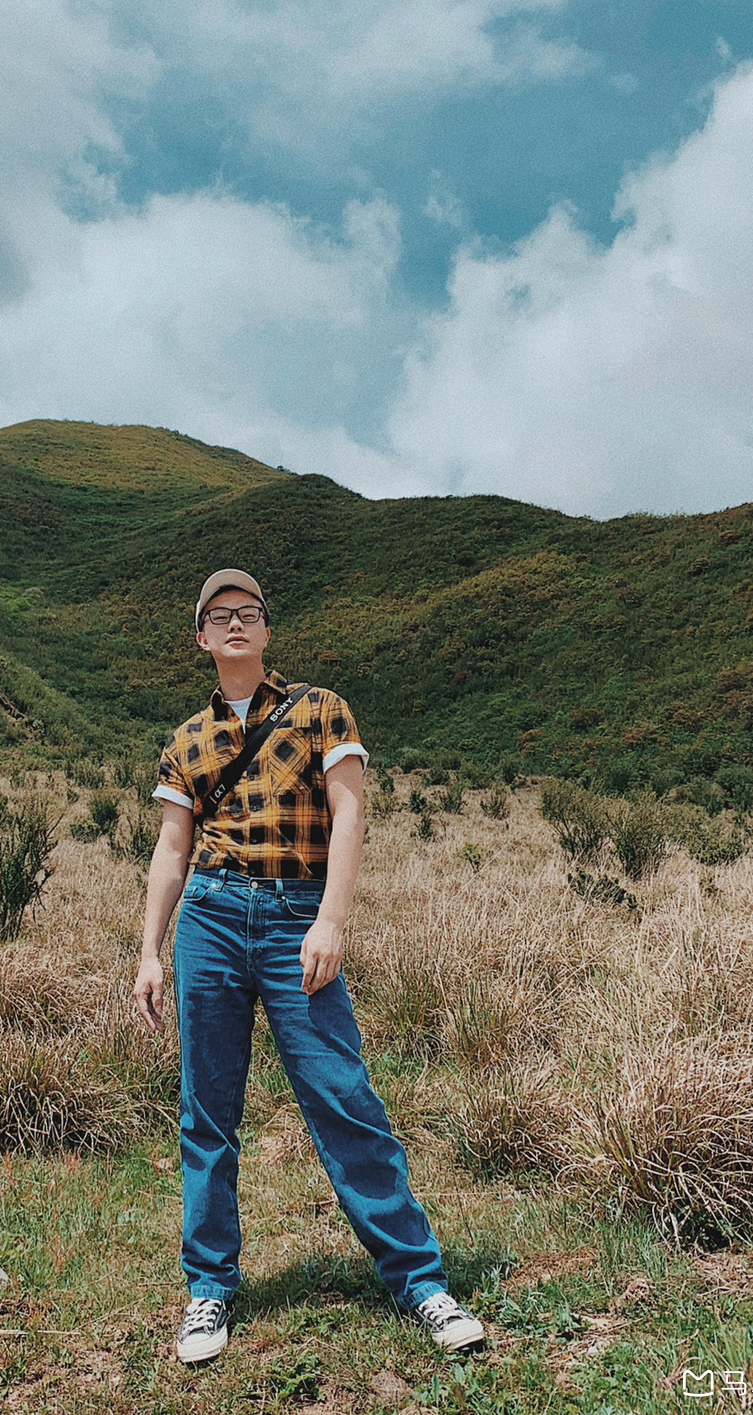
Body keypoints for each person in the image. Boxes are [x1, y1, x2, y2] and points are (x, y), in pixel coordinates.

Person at [133, 568, 486, 1365]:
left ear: (266, 630)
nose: (233, 625)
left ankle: (419, 1281)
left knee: (343, 1097)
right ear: (200, 637)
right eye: (218, 616)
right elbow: (171, 849)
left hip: (298, 915)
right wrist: (149, 953)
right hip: (213, 918)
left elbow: (351, 809)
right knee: (208, 1109)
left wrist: (331, 919)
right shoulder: (185, 740)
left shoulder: (321, 708)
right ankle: (209, 1290)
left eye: (247, 613)